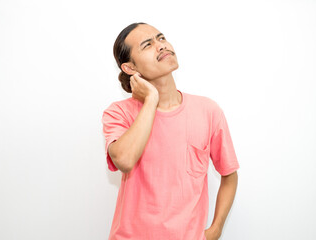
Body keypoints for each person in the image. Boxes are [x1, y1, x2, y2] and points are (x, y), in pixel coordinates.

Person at [101, 22, 240, 240]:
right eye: (147, 45)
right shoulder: (119, 113)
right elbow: (124, 160)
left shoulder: (208, 110)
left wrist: (216, 229)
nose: (161, 46)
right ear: (130, 68)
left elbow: (229, 175)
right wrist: (151, 100)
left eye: (161, 38)